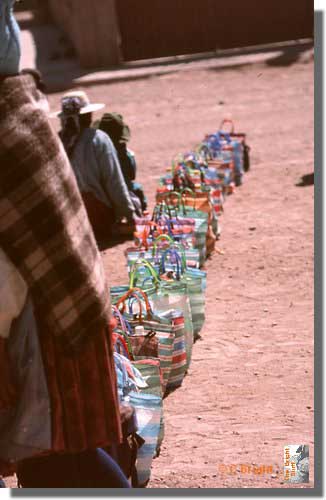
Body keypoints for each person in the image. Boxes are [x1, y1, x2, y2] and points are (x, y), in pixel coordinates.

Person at [0, 4, 130, 488]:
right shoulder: (26, 115)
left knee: (50, 460)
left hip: (43, 329)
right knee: (66, 459)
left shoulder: (10, 125)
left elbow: (5, 278)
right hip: (70, 307)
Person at [54, 91, 139, 244]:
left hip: (68, 218)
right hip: (97, 214)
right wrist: (131, 216)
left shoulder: (56, 141)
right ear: (87, 116)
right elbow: (114, 182)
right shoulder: (98, 138)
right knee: (135, 200)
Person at [97, 112, 148, 213]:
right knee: (137, 189)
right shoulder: (126, 154)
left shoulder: (97, 152)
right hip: (123, 191)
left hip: (103, 192)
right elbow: (132, 175)